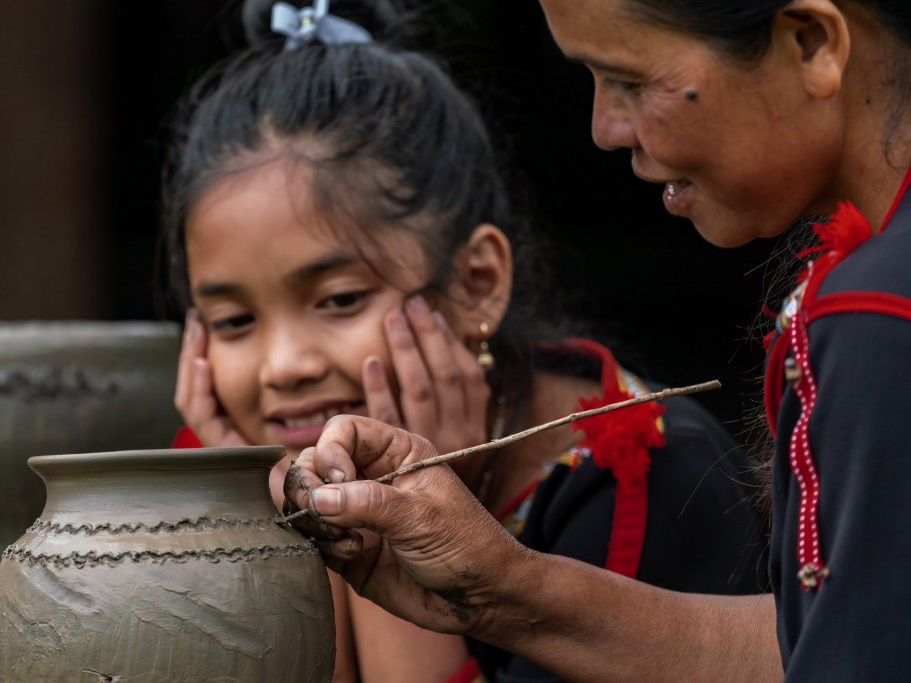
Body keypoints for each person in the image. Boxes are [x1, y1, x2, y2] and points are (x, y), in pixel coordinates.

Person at [284, 0, 911, 680]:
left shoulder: (878, 311)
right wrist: (499, 587)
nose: (604, 129)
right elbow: (811, 645)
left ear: (812, 43)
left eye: (631, 81)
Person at [162, 0, 768, 680]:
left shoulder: (642, 483)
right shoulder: (236, 473)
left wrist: (384, 522)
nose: (283, 367)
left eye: (339, 300)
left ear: (477, 283)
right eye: (234, 322)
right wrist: (250, 520)